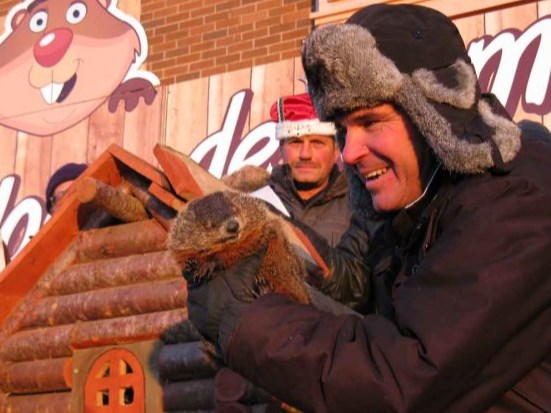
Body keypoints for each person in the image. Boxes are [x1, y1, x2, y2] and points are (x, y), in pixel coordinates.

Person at [183, 4, 551, 413]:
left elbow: (404, 375)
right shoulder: (418, 212)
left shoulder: (514, 203)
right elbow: (378, 328)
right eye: (343, 130)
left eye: (371, 122)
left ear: (434, 114)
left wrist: (245, 320)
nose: (350, 152)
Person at [268, 92, 351, 246]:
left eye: (317, 143)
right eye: (296, 142)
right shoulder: (256, 204)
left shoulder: (359, 210)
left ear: (336, 150)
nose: (305, 154)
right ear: (281, 149)